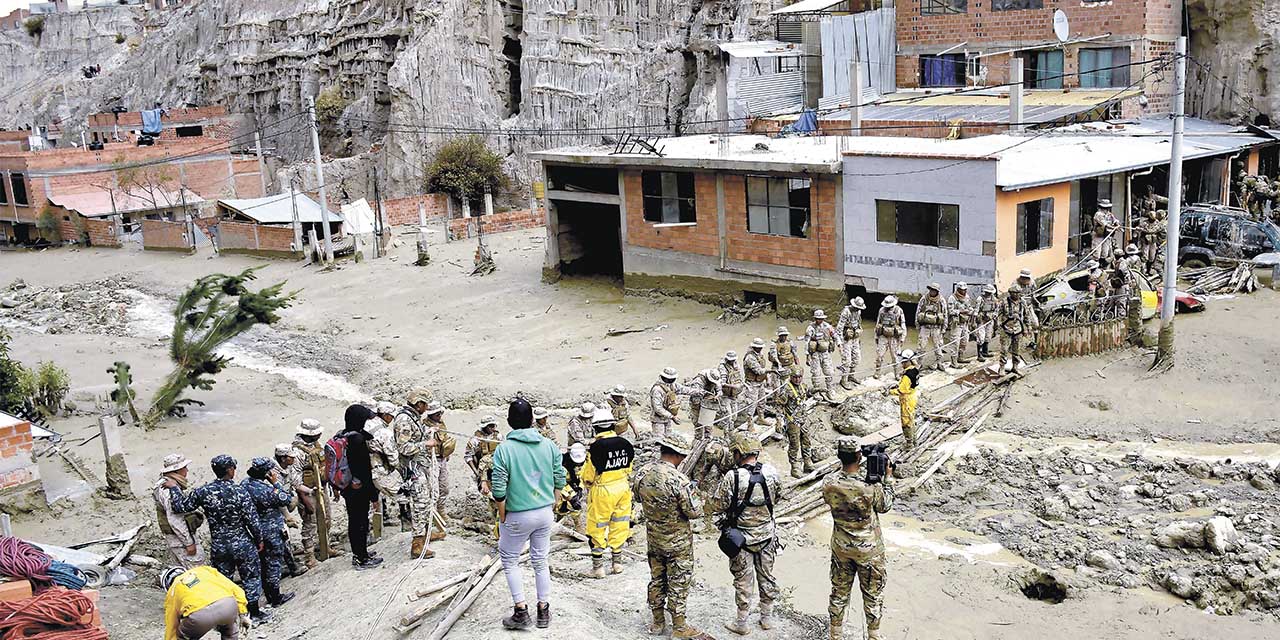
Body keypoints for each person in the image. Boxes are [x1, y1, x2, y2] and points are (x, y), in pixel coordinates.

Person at [492, 398, 567, 630]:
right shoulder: (549, 445)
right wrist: (553, 502)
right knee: (540, 560)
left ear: (509, 422)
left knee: (510, 560)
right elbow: (560, 476)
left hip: (517, 514)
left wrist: (502, 514)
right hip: (544, 511)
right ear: (532, 420)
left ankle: (521, 611)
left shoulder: (504, 449)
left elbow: (498, 488)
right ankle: (543, 610)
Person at [167, 455, 267, 624]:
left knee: (222, 580)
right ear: (229, 470)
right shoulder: (240, 491)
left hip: (219, 545)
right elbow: (252, 520)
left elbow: (180, 506)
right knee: (251, 576)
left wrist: (174, 488)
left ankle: (228, 615)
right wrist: (259, 540)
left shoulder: (204, 491)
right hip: (242, 542)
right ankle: (254, 612)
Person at [634, 432, 704, 639]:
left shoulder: (642, 473)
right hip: (678, 542)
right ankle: (680, 627)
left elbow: (638, 498)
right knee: (679, 582)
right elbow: (694, 512)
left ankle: (657, 623)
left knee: (656, 579)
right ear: (676, 455)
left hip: (654, 539)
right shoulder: (679, 480)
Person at [711, 432, 782, 635]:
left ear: (738, 452)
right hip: (767, 534)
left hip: (740, 538)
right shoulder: (772, 472)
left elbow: (718, 504)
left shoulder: (733, 477)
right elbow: (779, 496)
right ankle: (766, 618)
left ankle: (742, 623)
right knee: (767, 576)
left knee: (743, 580)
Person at [823, 437, 893, 640]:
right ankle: (873, 635)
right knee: (872, 595)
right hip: (869, 550)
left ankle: (835, 635)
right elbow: (885, 505)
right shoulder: (870, 486)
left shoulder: (829, 484)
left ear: (839, 456)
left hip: (841, 547)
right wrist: (887, 478)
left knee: (839, 592)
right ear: (859, 456)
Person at [581, 407, 636, 578]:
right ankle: (617, 564)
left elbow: (588, 476)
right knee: (620, 523)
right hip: (623, 487)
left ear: (595, 427)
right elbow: (629, 468)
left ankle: (598, 568)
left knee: (597, 526)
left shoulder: (596, 447)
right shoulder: (626, 444)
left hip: (603, 489)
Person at [240, 457, 297, 605]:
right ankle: (275, 597)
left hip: (255, 530)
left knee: (264, 563)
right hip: (271, 531)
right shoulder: (266, 490)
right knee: (273, 564)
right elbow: (287, 499)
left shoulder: (244, 484)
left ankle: (268, 593)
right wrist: (275, 483)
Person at [393, 389, 440, 559]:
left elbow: (414, 437)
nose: (426, 408)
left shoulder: (413, 417)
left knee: (427, 500)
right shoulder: (404, 420)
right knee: (420, 503)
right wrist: (425, 444)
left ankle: (426, 533)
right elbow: (403, 447)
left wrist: (427, 434)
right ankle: (417, 544)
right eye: (425, 404)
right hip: (412, 469)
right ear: (419, 403)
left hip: (420, 466)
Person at [339, 404, 385, 570]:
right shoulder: (357, 441)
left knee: (356, 520)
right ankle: (361, 558)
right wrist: (374, 496)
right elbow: (364, 471)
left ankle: (361, 552)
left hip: (348, 488)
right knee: (359, 523)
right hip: (358, 489)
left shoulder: (344, 434)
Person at [162, 565, 248, 640]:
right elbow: (236, 589)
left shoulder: (172, 591)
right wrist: (243, 612)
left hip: (200, 616)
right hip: (228, 605)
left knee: (182, 637)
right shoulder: (204, 570)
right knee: (229, 630)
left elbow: (171, 623)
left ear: (167, 585)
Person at [154, 453, 205, 569]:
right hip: (179, 539)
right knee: (197, 570)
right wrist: (189, 543)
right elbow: (175, 518)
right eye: (184, 468)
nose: (187, 470)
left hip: (176, 538)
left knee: (181, 570)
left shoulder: (168, 484)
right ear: (177, 471)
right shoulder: (168, 490)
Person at [291, 418, 329, 567]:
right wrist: (305, 499)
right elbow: (295, 480)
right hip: (307, 492)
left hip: (321, 488)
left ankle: (326, 547)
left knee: (326, 519)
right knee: (310, 524)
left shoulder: (316, 445)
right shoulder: (297, 453)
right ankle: (310, 556)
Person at [366, 401, 404, 531]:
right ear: (386, 415)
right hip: (379, 470)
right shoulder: (384, 432)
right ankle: (408, 528)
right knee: (403, 495)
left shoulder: (365, 425)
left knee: (373, 502)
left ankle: (373, 533)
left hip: (363, 469)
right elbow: (393, 458)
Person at [271, 444, 306, 578]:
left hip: (284, 504)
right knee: (283, 537)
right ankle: (290, 568)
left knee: (286, 537)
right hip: (274, 512)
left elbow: (295, 483)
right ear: (283, 458)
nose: (293, 459)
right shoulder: (273, 473)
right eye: (291, 457)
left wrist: (310, 491)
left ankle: (288, 563)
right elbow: (277, 496)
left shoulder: (288, 468)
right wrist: (287, 516)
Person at [422, 400, 455, 535]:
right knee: (433, 488)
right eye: (437, 413)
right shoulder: (424, 426)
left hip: (442, 459)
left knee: (444, 487)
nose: (439, 415)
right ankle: (432, 516)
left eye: (440, 413)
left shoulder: (441, 424)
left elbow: (445, 438)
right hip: (431, 460)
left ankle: (441, 510)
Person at [777, 369, 817, 478]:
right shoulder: (786, 390)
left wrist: (816, 390)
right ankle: (795, 467)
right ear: (791, 377)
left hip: (803, 419)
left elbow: (807, 392)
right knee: (794, 444)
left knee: (806, 440)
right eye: (795, 377)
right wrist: (779, 421)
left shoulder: (802, 386)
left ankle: (807, 462)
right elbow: (780, 406)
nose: (797, 379)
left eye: (799, 377)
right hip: (792, 420)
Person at [997, 285, 1038, 375]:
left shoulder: (1022, 302)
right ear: (1010, 293)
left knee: (1017, 350)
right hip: (1006, 329)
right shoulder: (1004, 302)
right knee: (1004, 350)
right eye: (1014, 293)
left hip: (1018, 329)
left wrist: (1028, 328)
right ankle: (1002, 368)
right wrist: (998, 326)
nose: (1017, 295)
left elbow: (1026, 315)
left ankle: (1015, 367)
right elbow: (998, 314)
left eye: (1018, 293)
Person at [884, 350, 921, 450]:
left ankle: (909, 444)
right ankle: (914, 440)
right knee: (911, 419)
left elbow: (902, 390)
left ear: (907, 361)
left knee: (906, 421)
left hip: (907, 399)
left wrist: (889, 392)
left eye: (903, 362)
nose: (902, 364)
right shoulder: (914, 370)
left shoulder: (907, 376)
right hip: (912, 396)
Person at [650, 367, 697, 438]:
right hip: (658, 420)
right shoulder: (657, 390)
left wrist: (700, 392)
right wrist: (672, 417)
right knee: (659, 440)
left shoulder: (672, 385)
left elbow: (684, 390)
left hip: (668, 418)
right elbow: (657, 408)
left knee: (668, 438)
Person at [804, 310, 838, 396]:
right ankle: (816, 391)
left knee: (829, 372)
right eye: (818, 319)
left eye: (821, 318)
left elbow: (835, 335)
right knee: (816, 373)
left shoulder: (827, 326)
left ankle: (830, 389)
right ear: (815, 319)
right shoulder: (810, 328)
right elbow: (806, 342)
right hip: (815, 353)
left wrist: (839, 345)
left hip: (825, 352)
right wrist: (807, 356)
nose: (820, 320)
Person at [916, 283, 948, 371]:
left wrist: (944, 328)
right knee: (921, 346)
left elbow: (945, 314)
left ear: (937, 291)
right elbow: (918, 311)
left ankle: (939, 362)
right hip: (925, 326)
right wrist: (917, 325)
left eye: (934, 290)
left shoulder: (941, 300)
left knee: (938, 346)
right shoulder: (924, 298)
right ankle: (919, 363)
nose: (932, 291)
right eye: (931, 289)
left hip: (936, 327)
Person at [836, 297, 866, 387]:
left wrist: (859, 332)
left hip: (855, 338)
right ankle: (843, 380)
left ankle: (851, 376)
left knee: (857, 358)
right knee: (847, 361)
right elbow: (839, 329)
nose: (858, 309)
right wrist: (839, 343)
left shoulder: (858, 312)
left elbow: (858, 323)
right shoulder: (846, 312)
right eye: (857, 307)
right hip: (846, 339)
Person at [874, 296, 906, 379]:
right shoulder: (881, 310)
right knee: (879, 355)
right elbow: (878, 322)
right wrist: (876, 336)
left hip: (894, 337)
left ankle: (897, 373)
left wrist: (902, 338)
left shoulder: (898, 310)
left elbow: (903, 324)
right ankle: (877, 372)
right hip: (883, 336)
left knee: (895, 356)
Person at [688, 368, 723, 441]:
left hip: (708, 403)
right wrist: (706, 396)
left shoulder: (715, 377)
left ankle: (708, 439)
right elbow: (694, 396)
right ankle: (697, 441)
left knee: (708, 423)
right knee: (698, 424)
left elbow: (718, 386)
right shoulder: (698, 381)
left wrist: (718, 393)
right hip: (697, 402)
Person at [742, 338, 769, 425]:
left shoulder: (759, 355)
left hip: (760, 382)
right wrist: (769, 371)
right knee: (752, 404)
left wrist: (766, 378)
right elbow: (758, 370)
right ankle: (749, 423)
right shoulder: (750, 357)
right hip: (752, 384)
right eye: (758, 347)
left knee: (762, 401)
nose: (760, 349)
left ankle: (761, 418)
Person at [947, 282, 974, 367]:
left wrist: (971, 311)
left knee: (964, 341)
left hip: (965, 323)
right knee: (955, 342)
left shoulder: (967, 297)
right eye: (962, 290)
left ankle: (960, 357)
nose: (963, 292)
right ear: (958, 289)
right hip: (956, 324)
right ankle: (953, 362)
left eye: (965, 290)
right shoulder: (952, 298)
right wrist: (960, 311)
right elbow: (950, 311)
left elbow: (969, 307)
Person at [716, 351, 744, 426]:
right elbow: (722, 383)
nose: (732, 361)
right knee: (728, 414)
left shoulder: (736, 364)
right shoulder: (722, 367)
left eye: (733, 360)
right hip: (725, 394)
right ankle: (726, 430)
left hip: (734, 394)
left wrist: (741, 384)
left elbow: (739, 376)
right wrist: (734, 386)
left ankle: (729, 426)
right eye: (731, 360)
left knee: (735, 415)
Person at [974, 284, 999, 361]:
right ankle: (979, 354)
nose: (989, 293)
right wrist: (975, 319)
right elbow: (976, 310)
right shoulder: (980, 299)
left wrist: (993, 316)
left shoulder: (994, 299)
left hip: (990, 319)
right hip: (981, 320)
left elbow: (997, 310)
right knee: (981, 337)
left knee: (988, 336)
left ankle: (985, 351)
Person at [1092, 199, 1120, 266]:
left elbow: (1114, 219)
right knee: (1097, 252)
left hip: (1107, 234)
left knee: (1105, 252)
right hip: (1098, 234)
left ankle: (1102, 266)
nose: (1106, 209)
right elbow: (1105, 224)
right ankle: (1095, 266)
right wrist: (1114, 228)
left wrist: (1117, 223)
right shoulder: (1098, 214)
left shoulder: (1109, 214)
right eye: (1105, 207)